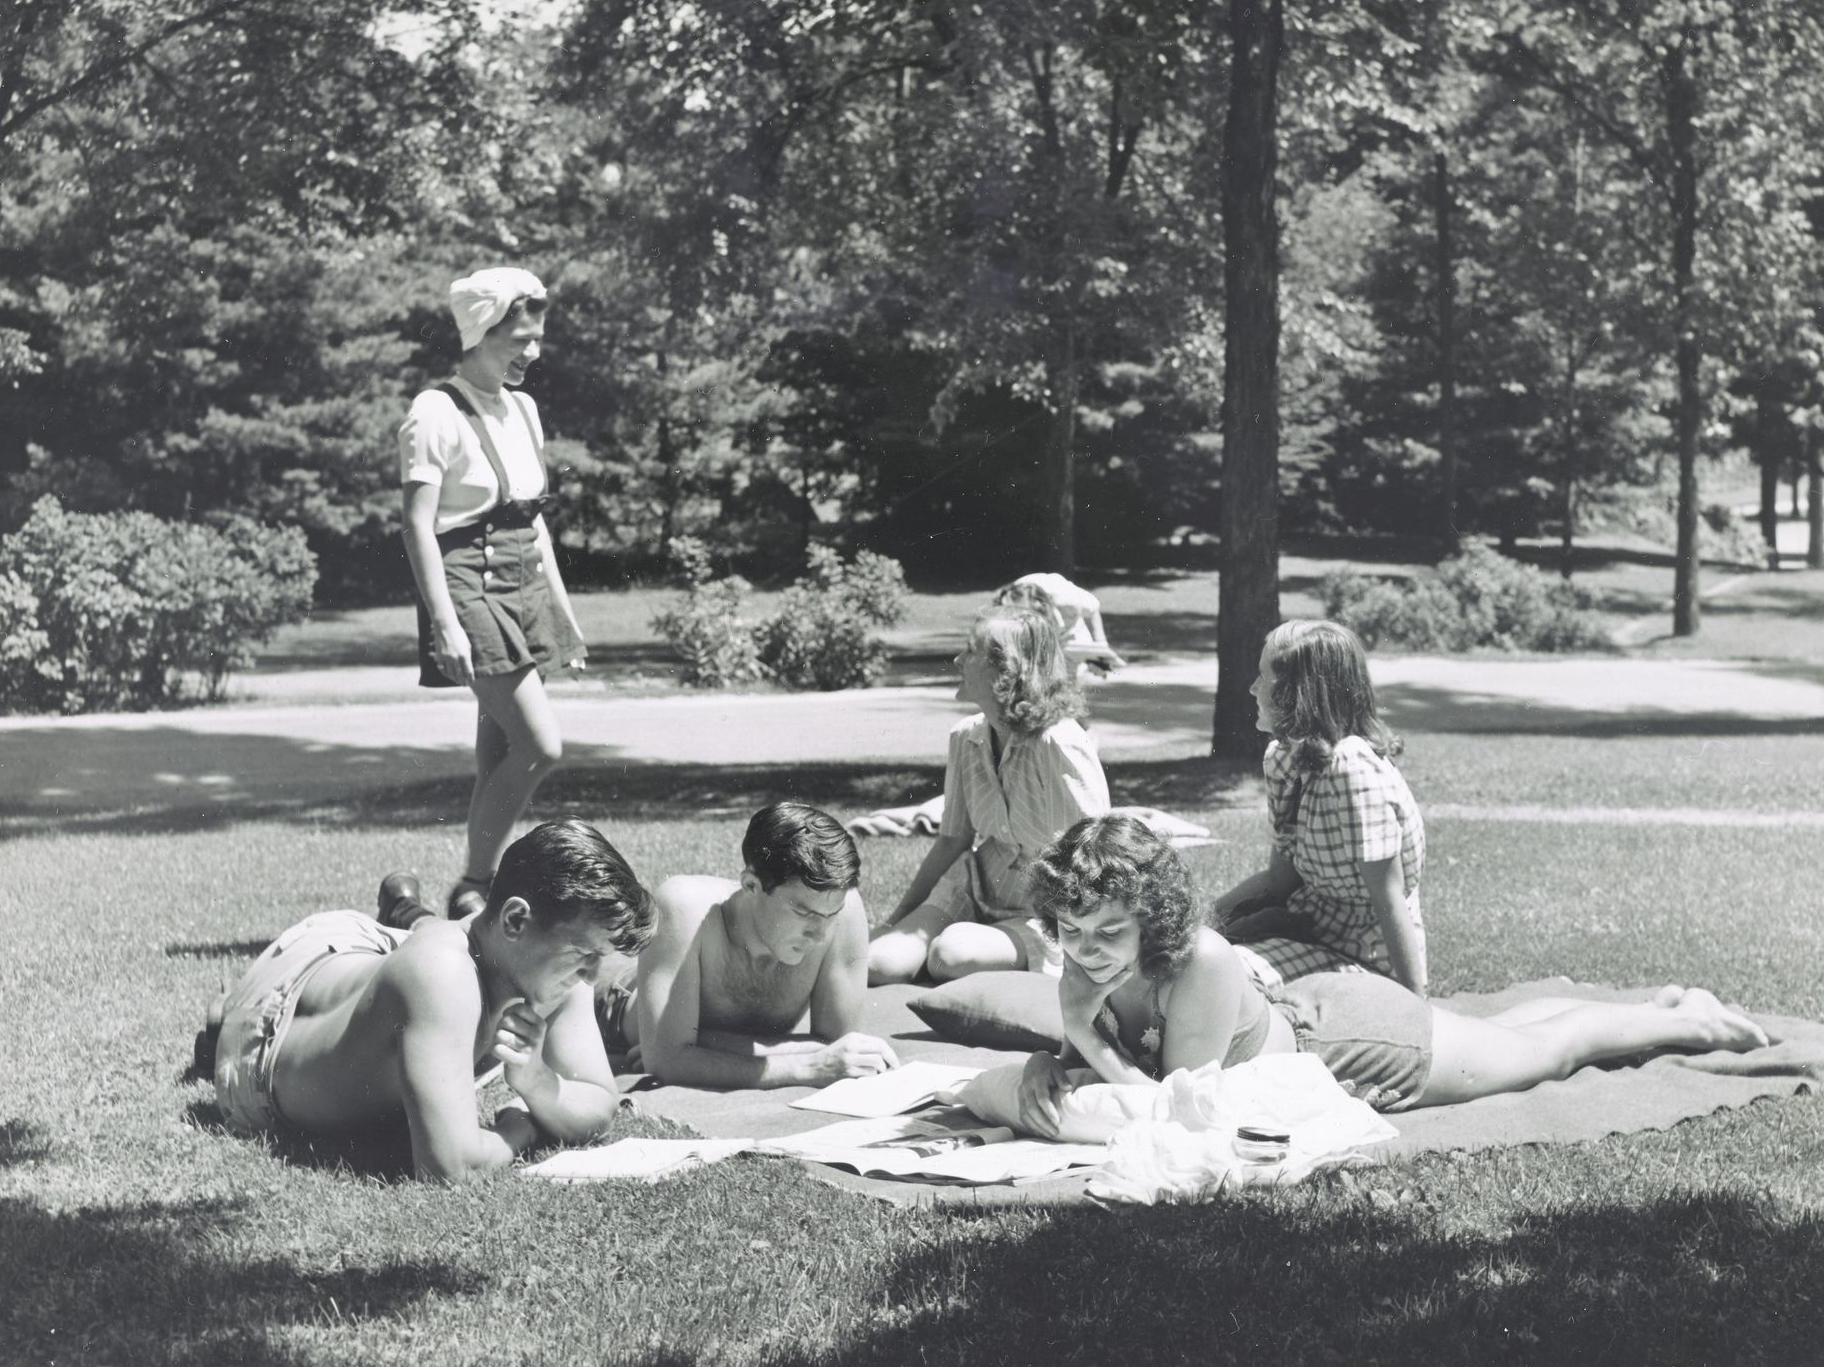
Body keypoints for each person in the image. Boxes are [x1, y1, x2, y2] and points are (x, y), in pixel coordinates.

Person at [1014, 815, 1768, 1135]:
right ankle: (1659, 1002)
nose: (1088, 948)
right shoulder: (1092, 959)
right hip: (1303, 1011)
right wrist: (1050, 1060)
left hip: (1351, 1040)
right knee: (1496, 1033)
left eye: (1111, 929)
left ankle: (1690, 1020)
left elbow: (1175, 1112)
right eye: (1072, 931)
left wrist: (1077, 1028)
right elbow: (1096, 1066)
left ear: (1154, 914)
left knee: (1546, 1053)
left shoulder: (1199, 959)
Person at [212, 820, 654, 1180]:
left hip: (384, 953)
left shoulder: (553, 970)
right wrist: (517, 1128)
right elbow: (450, 1165)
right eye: (583, 954)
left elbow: (600, 1101)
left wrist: (537, 1080)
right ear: (516, 920)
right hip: (275, 1014)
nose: (592, 976)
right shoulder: (442, 975)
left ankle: (404, 912)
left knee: (428, 952)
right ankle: (219, 1020)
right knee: (428, 960)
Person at [397, 266, 588, 922]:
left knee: (501, 751)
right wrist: (443, 623)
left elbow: (532, 520)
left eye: (537, 340)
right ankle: (475, 880)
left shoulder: (524, 409)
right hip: (466, 584)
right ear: (479, 335)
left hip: (520, 579)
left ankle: (474, 895)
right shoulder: (433, 413)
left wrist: (562, 609)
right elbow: (418, 523)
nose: (531, 353)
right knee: (540, 744)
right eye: (518, 341)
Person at [868, 605, 1110, 984]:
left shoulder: (1058, 742)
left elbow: (1093, 856)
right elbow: (951, 842)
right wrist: (893, 922)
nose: (957, 659)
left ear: (1007, 671)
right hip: (976, 887)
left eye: (970, 650)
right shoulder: (966, 737)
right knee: (878, 962)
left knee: (951, 953)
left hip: (1049, 914)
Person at [597, 803, 900, 1089]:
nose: (820, 934)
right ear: (751, 885)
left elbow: (838, 1047)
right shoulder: (685, 907)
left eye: (829, 915)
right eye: (803, 913)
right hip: (615, 996)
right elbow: (665, 1061)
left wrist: (694, 1047)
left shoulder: (843, 911)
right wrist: (808, 1066)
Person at [1212, 619, 1428, 994]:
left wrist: (1416, 1005)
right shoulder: (1285, 759)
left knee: (1222, 979)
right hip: (1308, 930)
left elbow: (1389, 900)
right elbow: (1279, 881)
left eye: (1264, 677)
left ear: (1298, 692)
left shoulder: (1352, 768)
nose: (1252, 688)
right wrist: (1197, 923)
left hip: (1365, 955)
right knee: (1192, 960)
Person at [994, 573, 1125, 674]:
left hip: (1070, 631)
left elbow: (1093, 610)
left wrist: (1100, 647)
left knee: (1069, 678)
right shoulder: (1009, 603)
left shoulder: (1068, 598)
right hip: (1040, 633)